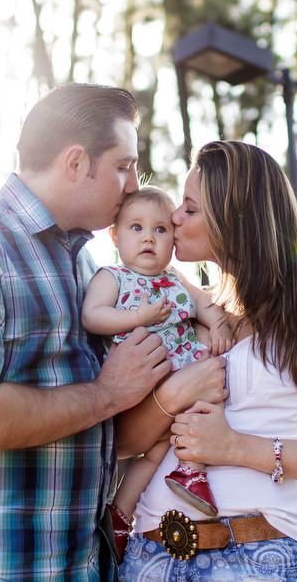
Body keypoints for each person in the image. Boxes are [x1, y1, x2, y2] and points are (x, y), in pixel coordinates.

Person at [0, 83, 175, 582]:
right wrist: (108, 393)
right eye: (123, 165)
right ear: (76, 162)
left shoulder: (88, 269)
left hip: (83, 576)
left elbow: (91, 432)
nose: (133, 184)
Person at [112, 140, 297, 582]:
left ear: (234, 217)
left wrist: (236, 448)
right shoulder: (190, 312)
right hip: (151, 560)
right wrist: (174, 394)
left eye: (190, 208)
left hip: (257, 562)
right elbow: (123, 444)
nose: (174, 218)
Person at [81, 186, 233, 557]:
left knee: (171, 439)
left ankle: (180, 476)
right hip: (141, 382)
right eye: (136, 228)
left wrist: (218, 325)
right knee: (145, 450)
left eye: (161, 229)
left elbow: (204, 302)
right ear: (115, 236)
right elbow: (92, 315)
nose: (148, 237)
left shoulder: (176, 278)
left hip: (183, 378)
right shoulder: (112, 276)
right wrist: (138, 317)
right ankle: (123, 509)